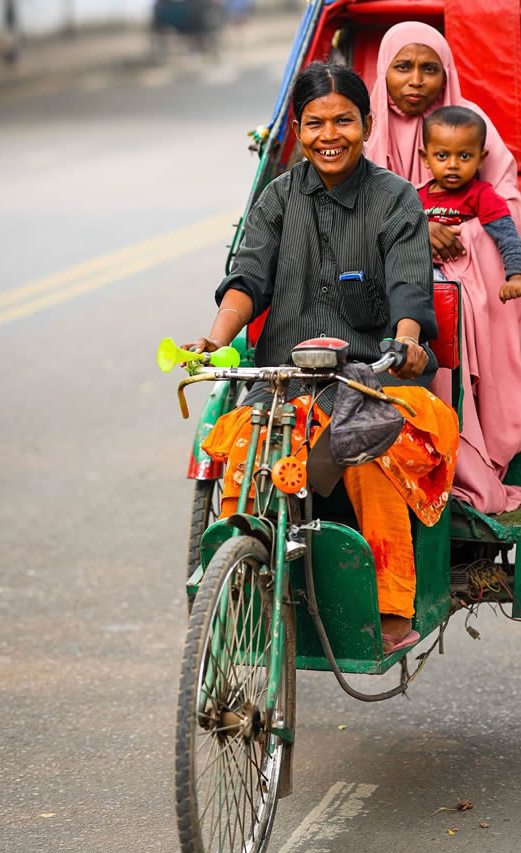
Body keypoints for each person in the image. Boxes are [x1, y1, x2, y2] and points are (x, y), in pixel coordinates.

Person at [182, 62, 458, 654]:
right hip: (286, 383)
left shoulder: (395, 199)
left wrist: (408, 339)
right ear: (298, 129)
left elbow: (411, 288)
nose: (329, 135)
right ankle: (241, 582)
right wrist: (214, 337)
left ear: (367, 125)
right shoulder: (278, 196)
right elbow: (247, 276)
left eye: (343, 122)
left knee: (369, 449)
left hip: (369, 381)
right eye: (315, 124)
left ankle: (388, 605)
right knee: (240, 447)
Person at [365, 22, 521, 514]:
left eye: (430, 69)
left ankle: (458, 459)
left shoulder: (469, 124)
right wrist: (413, 231)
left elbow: (507, 209)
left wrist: (458, 235)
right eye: (403, 67)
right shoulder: (363, 129)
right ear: (384, 73)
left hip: (466, 275)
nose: (417, 80)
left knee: (443, 310)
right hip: (379, 274)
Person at [418, 105, 521, 305]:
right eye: (442, 156)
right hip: (414, 272)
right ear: (425, 158)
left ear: (480, 159)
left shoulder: (481, 195)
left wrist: (515, 277)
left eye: (464, 156)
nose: (453, 164)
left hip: (456, 281)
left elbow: (507, 235)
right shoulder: (416, 195)